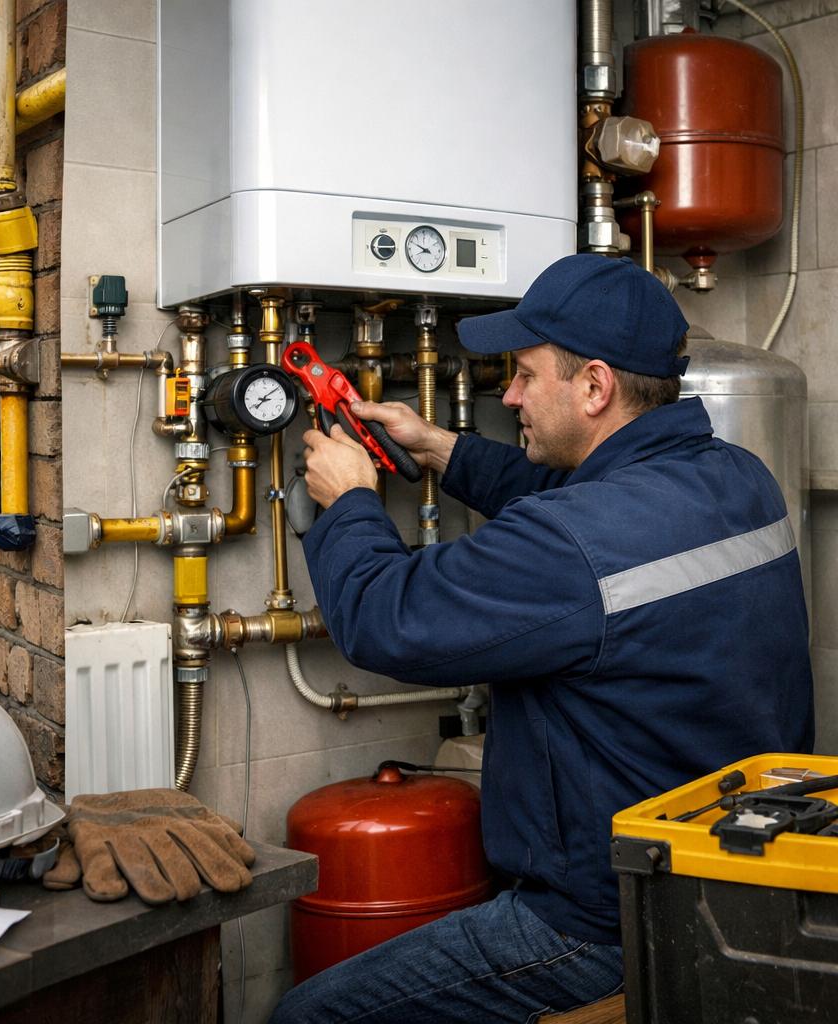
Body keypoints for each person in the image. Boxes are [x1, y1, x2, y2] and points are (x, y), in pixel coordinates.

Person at [272, 254, 813, 1023]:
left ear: (595, 386)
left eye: (526, 375)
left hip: (604, 922)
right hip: (733, 886)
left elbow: (385, 618)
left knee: (305, 1017)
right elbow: (584, 502)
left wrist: (351, 501)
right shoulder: (738, 478)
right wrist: (438, 446)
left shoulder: (573, 543)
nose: (509, 395)